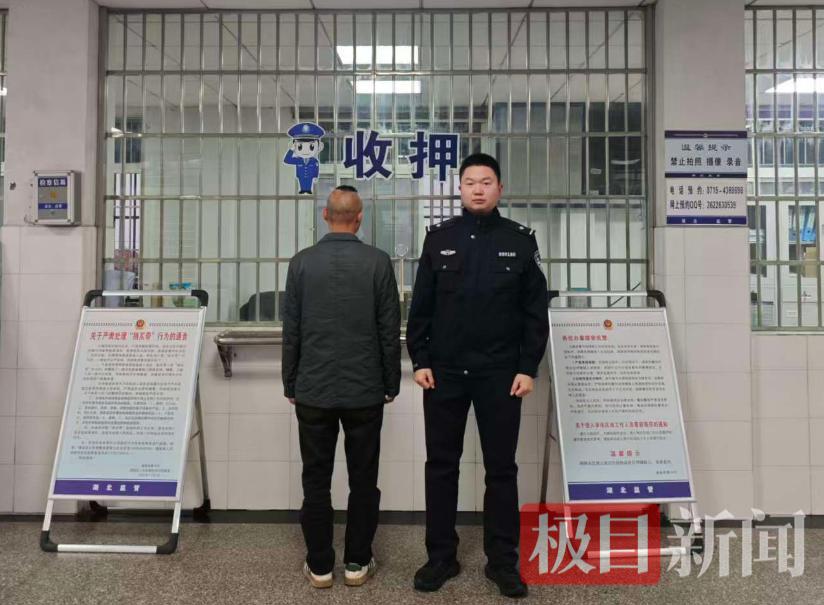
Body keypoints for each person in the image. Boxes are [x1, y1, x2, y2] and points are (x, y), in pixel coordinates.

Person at [406, 153, 549, 598]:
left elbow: (535, 313)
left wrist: (527, 367)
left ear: (500, 188)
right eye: (470, 182)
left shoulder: (520, 242)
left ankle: (502, 562)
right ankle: (440, 558)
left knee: (501, 469)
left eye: (486, 182)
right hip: (444, 373)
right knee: (441, 466)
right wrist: (420, 360)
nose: (478, 189)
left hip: (501, 375)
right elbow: (421, 308)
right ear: (460, 189)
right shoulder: (439, 239)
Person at [282, 185, 401, 588]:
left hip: (313, 389)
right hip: (364, 390)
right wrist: (390, 382)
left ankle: (319, 566)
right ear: (359, 217)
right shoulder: (378, 263)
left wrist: (290, 382)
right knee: (363, 479)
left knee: (315, 479)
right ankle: (356, 563)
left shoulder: (301, 263)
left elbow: (292, 331)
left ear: (325, 215)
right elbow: (389, 330)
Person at [283, 121, 325, 194]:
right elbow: (287, 160)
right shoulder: (298, 160)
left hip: (310, 177)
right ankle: (303, 189)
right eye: (300, 146)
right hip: (301, 176)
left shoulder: (314, 161)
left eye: (311, 146)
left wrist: (315, 176)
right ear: (294, 145)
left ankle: (308, 189)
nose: (305, 151)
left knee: (309, 182)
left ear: (319, 146)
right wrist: (291, 150)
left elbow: (316, 169)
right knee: (302, 182)